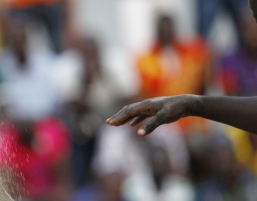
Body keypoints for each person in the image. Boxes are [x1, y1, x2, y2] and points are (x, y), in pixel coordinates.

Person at [105, 0, 257, 136]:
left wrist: (190, 105)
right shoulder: (144, 60)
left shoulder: (193, 53)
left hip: (192, 125)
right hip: (167, 127)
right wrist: (189, 104)